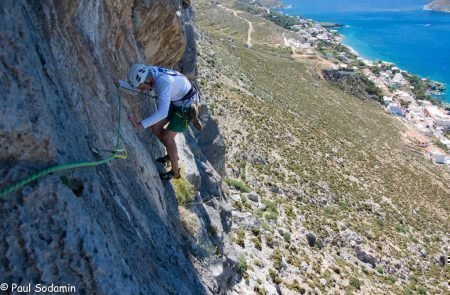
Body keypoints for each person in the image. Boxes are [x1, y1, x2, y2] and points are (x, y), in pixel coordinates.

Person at [114, 64, 202, 180]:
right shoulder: (149, 73)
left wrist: (139, 124)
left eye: (142, 86)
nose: (141, 89)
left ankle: (175, 172)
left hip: (187, 107)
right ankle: (172, 155)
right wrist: (120, 83)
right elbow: (137, 89)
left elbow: (162, 113)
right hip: (178, 97)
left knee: (167, 137)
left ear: (148, 80)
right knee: (155, 126)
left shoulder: (163, 84)